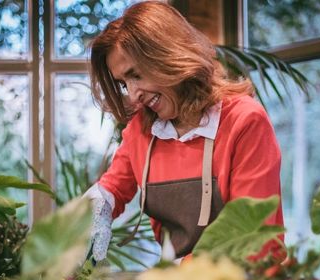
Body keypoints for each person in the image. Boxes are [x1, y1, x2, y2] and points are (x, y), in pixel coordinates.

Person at [86, 0, 284, 264]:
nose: (134, 95)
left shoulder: (244, 121)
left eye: (136, 75)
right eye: (124, 84)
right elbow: (111, 190)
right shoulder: (142, 132)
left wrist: (180, 277)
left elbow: (253, 236)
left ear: (168, 55)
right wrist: (87, 219)